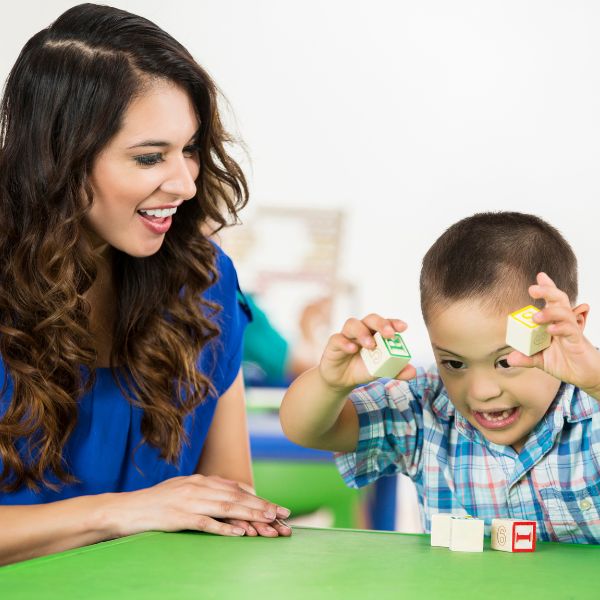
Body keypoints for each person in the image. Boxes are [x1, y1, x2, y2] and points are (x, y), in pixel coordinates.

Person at [0, 3, 291, 566]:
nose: (184, 182)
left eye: (189, 149)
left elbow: (228, 497)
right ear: (57, 159)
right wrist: (123, 511)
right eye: (149, 157)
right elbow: (153, 509)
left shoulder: (204, 279)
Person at [280, 211, 600, 543]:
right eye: (455, 364)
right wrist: (331, 384)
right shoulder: (423, 410)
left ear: (572, 326)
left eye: (505, 361)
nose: (481, 391)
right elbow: (305, 429)